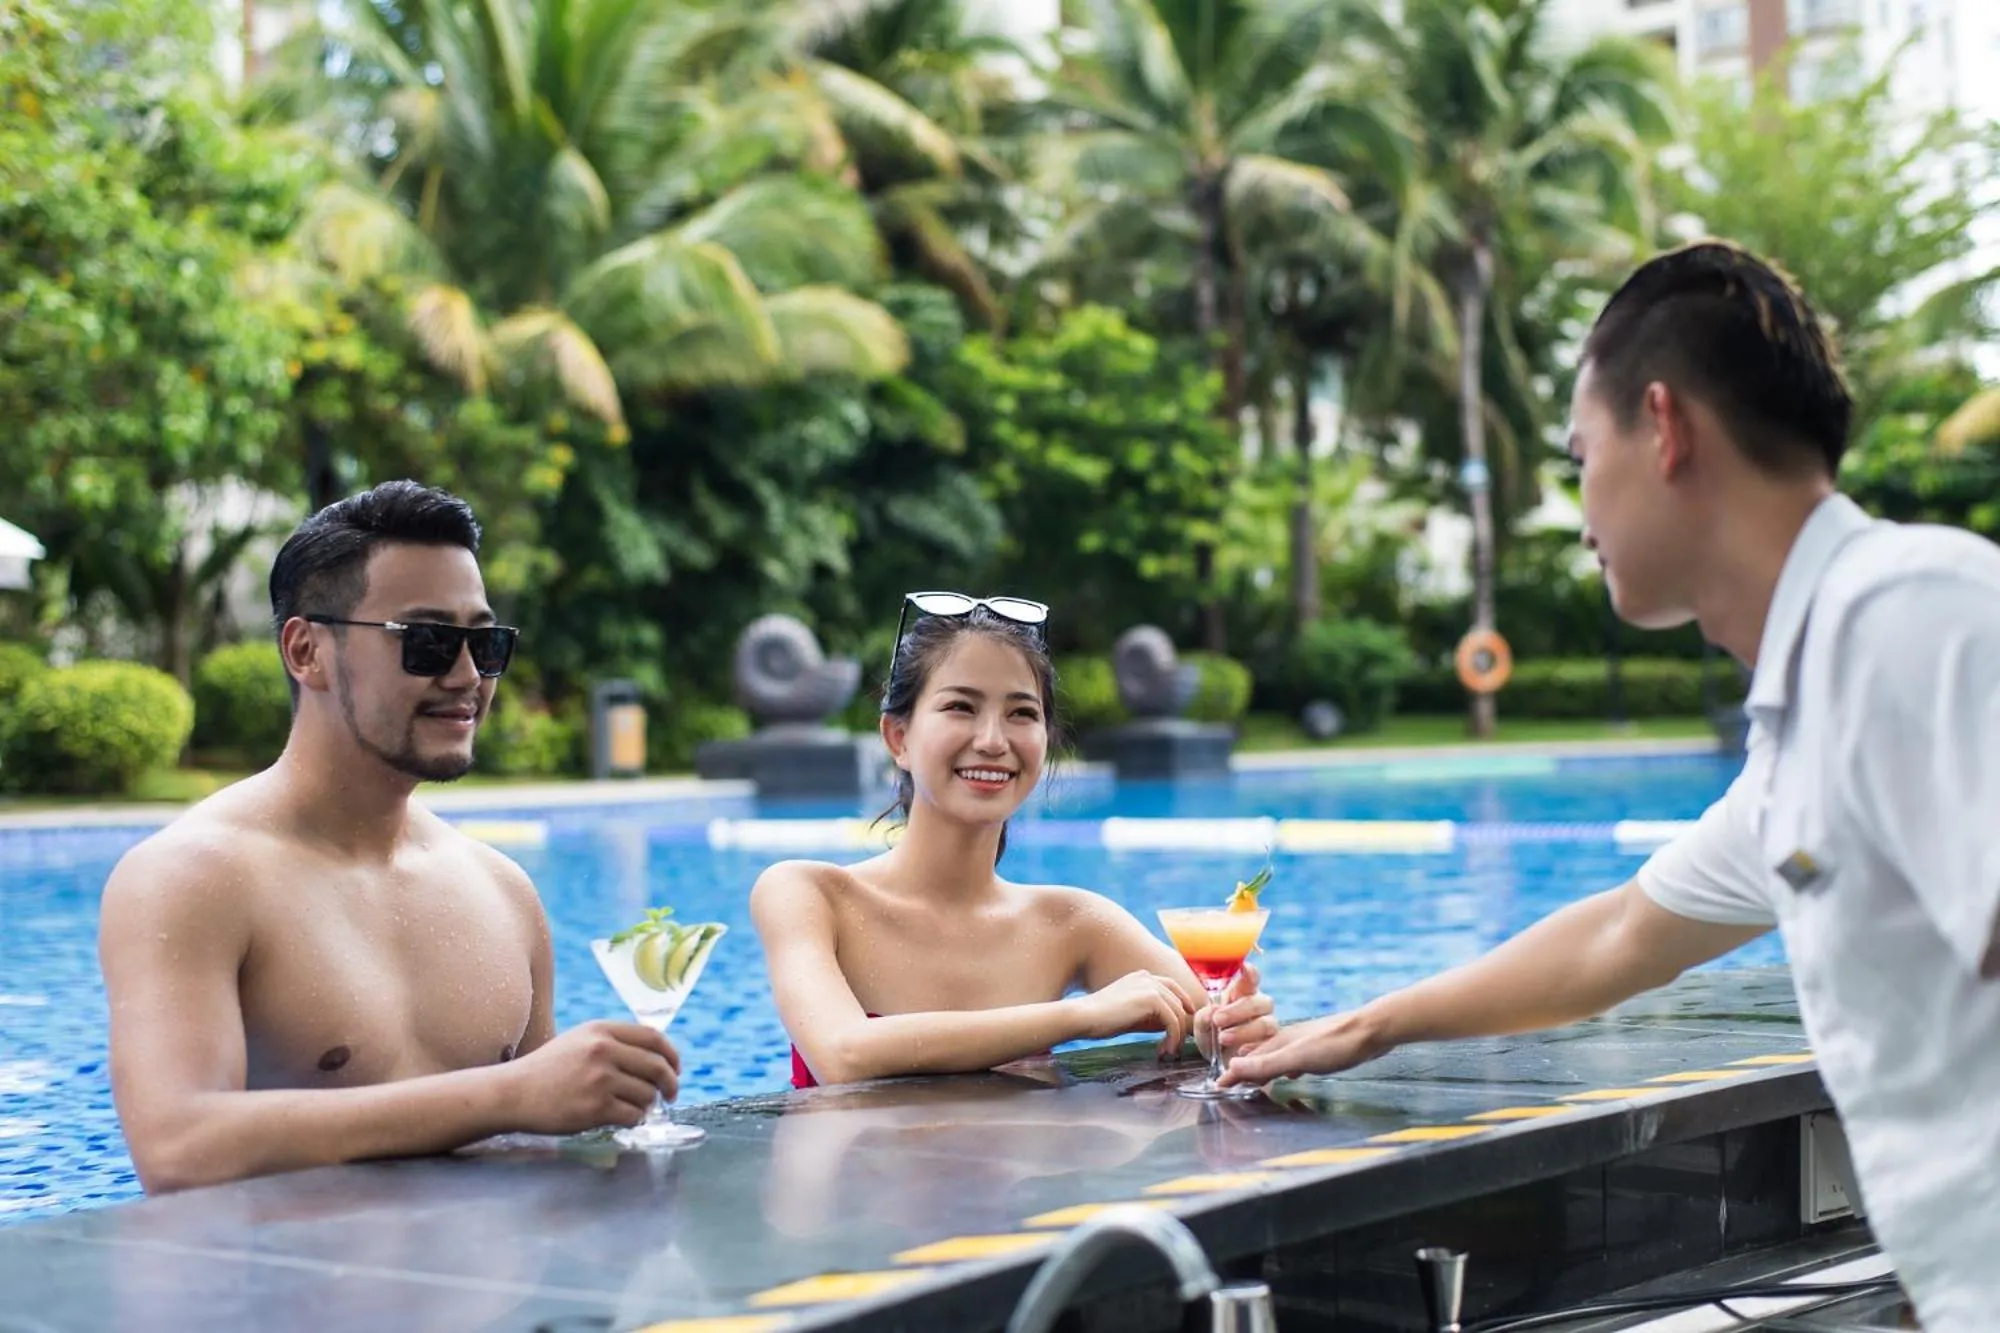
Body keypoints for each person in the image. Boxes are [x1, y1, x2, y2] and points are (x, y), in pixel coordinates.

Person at [1217, 240, 2000, 1332]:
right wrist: (1370, 1023)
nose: (1582, 505)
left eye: (1582, 454)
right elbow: (1622, 935)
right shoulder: (1807, 715)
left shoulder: (1910, 617)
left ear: (1663, 427)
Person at [98, 481, 680, 1194]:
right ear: (306, 650)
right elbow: (177, 1145)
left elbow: (541, 1130)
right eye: (427, 642)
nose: (467, 676)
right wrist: (504, 1094)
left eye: (484, 643)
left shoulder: (501, 888)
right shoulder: (194, 878)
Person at [751, 593, 1279, 1088]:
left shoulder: (1071, 923)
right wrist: (1080, 1016)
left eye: (1022, 713)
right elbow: (843, 1054)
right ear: (898, 737)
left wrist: (1227, 1027)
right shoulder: (808, 896)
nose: (992, 741)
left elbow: (1218, 1016)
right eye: (961, 707)